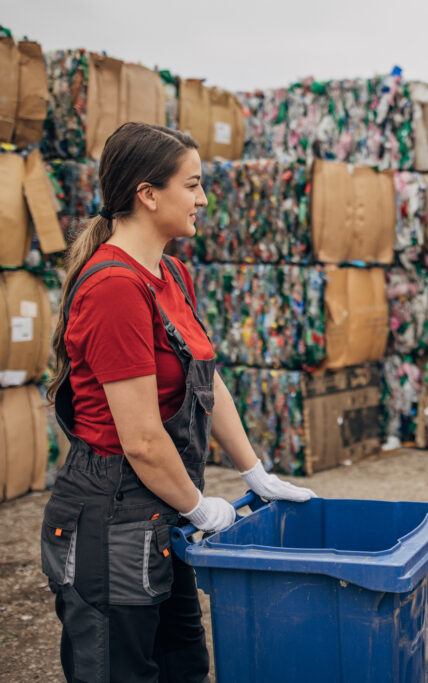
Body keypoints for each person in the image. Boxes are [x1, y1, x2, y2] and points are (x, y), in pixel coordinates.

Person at [39, 122, 316, 682]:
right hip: (111, 517)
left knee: (184, 664)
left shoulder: (169, 272)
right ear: (148, 194)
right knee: (123, 670)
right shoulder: (115, 288)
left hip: (160, 509)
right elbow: (141, 438)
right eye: (191, 185)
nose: (203, 198)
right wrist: (197, 504)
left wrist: (254, 471)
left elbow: (204, 382)